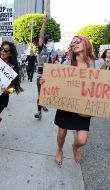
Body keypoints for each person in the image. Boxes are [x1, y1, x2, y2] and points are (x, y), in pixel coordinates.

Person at [42, 35, 96, 165]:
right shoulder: (66, 63)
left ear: (86, 43)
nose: (74, 44)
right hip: (67, 104)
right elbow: (55, 80)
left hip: (84, 107)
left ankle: (75, 147)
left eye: (78, 41)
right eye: (72, 43)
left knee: (82, 140)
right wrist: (46, 81)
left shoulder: (97, 64)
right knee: (62, 132)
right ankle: (60, 150)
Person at [34, 15, 58, 119]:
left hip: (51, 77)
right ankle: (39, 112)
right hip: (41, 75)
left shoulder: (54, 53)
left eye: (52, 41)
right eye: (49, 41)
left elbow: (57, 64)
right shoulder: (41, 49)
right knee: (40, 94)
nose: (50, 42)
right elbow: (41, 36)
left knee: (46, 94)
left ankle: (43, 104)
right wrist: (44, 22)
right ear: (45, 42)